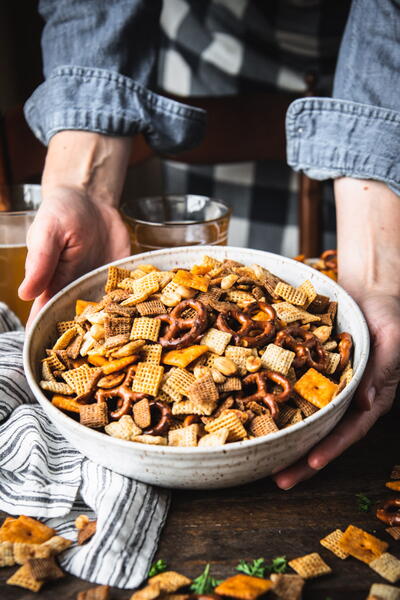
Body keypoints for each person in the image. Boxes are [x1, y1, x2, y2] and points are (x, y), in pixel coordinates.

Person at [19, 0, 400, 489]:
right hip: (217, 45)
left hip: (387, 71)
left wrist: (375, 275)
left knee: (299, 283)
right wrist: (83, 185)